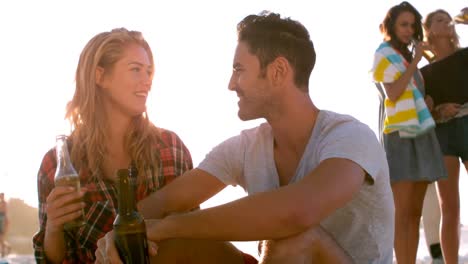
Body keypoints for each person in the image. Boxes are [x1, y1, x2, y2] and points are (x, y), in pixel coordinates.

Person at [96, 11, 395, 264]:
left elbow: (296, 213)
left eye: (239, 69)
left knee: (294, 241)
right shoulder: (246, 147)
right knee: (168, 245)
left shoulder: (349, 137)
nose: (231, 84)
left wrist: (168, 226)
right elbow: (164, 202)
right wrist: (120, 236)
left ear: (277, 71)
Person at [32, 28, 255, 263]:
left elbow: (191, 239)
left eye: (149, 71)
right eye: (135, 69)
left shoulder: (170, 149)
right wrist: (54, 228)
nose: (147, 80)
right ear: (100, 76)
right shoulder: (57, 163)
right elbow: (54, 260)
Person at [371, 2, 447, 264]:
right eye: (404, 24)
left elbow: (412, 95)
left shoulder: (405, 57)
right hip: (400, 137)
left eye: (412, 25)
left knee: (415, 213)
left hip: (421, 135)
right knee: (402, 213)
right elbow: (392, 93)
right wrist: (416, 61)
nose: (409, 29)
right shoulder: (384, 54)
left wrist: (427, 102)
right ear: (391, 25)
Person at [420, 8, 468, 264]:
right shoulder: (424, 73)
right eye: (439, 19)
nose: (446, 21)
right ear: (430, 30)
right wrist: (439, 110)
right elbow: (424, 108)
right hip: (443, 133)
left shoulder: (465, 55)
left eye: (447, 18)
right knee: (449, 208)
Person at [0, 193, 8, 257]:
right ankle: (7, 247)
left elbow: (5, 212)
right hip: (1, 218)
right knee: (1, 238)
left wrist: (6, 221)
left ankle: (3, 252)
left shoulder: (4, 203)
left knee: (1, 237)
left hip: (2, 219)